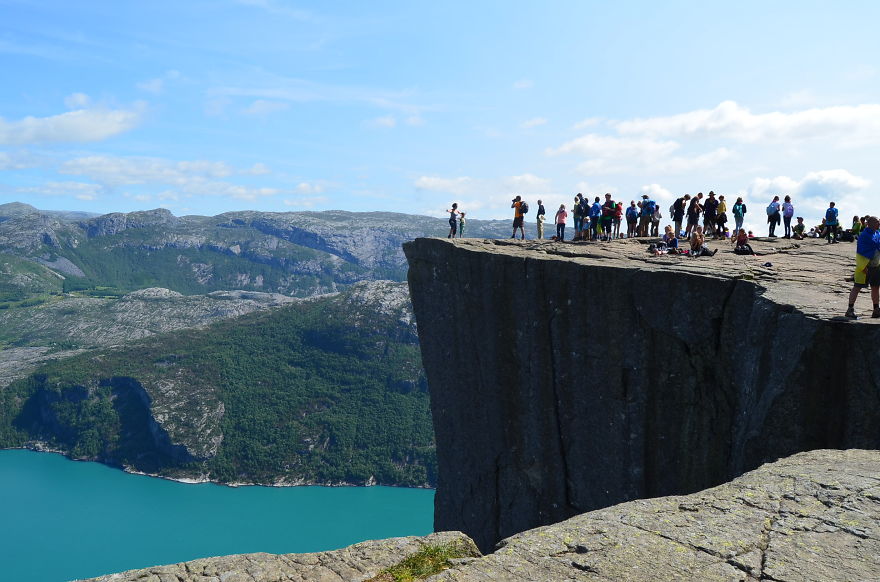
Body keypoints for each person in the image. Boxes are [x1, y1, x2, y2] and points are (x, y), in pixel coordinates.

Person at [845, 215, 880, 319]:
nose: (879, 223)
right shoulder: (864, 235)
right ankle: (850, 310)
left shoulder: (877, 233)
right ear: (870, 224)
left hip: (876, 266)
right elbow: (860, 252)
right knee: (857, 287)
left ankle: (876, 310)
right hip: (865, 266)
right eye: (877, 222)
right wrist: (862, 267)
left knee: (875, 287)